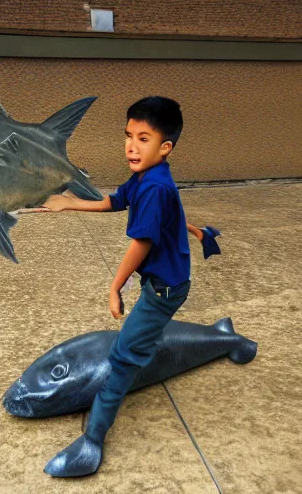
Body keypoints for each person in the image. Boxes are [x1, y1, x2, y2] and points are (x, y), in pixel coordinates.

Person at [37, 96, 220, 477]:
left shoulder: (155, 188)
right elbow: (114, 201)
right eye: (127, 135)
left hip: (164, 288)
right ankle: (164, 340)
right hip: (162, 279)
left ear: (165, 147)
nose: (131, 146)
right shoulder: (144, 179)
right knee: (141, 337)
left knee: (122, 358)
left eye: (144, 138)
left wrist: (114, 286)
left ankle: (93, 439)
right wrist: (70, 202)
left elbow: (142, 243)